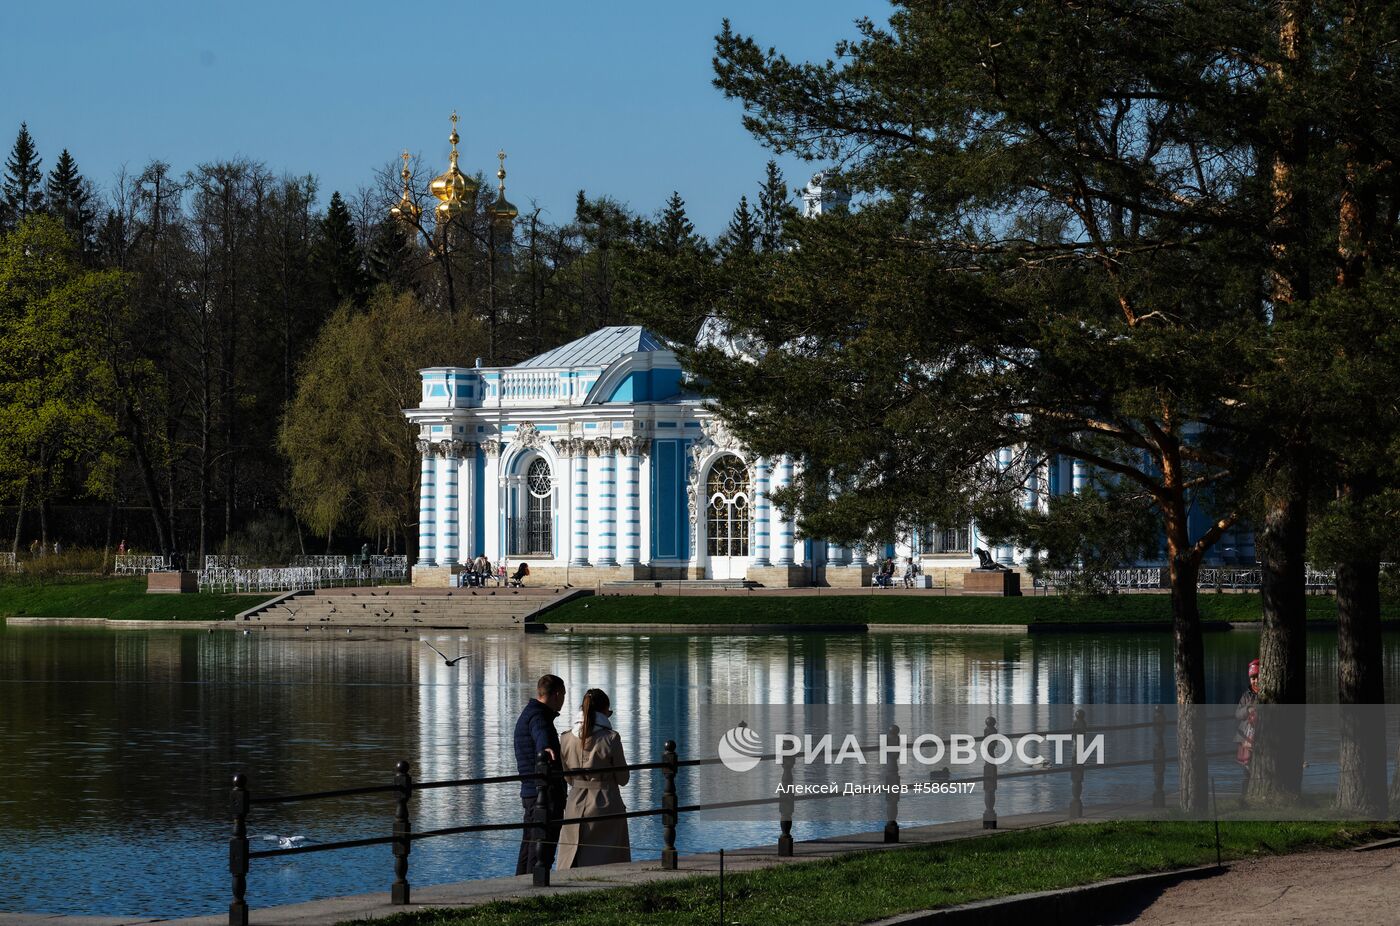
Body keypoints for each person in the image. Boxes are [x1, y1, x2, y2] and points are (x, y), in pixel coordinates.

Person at [557, 688, 631, 868]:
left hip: (575, 801)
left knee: (573, 856)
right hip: (606, 802)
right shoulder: (610, 738)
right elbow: (623, 778)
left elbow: (567, 776)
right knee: (609, 859)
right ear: (605, 712)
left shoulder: (566, 738)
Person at [514, 674, 567, 877]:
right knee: (542, 848)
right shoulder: (539, 717)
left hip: (530, 792)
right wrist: (545, 747)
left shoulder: (530, 713)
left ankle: (519, 887)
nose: (563, 700)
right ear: (557, 694)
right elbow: (540, 734)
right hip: (543, 793)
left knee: (530, 845)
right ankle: (534, 887)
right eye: (563, 695)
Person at [1235, 658, 1260, 798]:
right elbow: (1237, 714)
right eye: (1252, 678)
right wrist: (1247, 709)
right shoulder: (1246, 695)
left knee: (1258, 767)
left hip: (1259, 738)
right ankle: (1243, 796)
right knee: (1246, 769)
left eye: (1257, 677)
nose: (1255, 681)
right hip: (1246, 738)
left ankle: (1254, 794)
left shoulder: (1264, 695)